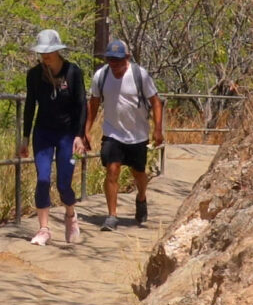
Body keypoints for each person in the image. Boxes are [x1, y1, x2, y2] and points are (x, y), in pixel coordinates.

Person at [17, 28, 84, 246]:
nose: (45, 56)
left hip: (66, 134)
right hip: (43, 133)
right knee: (43, 179)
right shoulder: (34, 75)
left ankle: (70, 214)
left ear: (58, 51)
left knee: (64, 183)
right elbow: (29, 107)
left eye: (50, 51)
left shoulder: (73, 72)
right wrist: (25, 137)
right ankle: (44, 229)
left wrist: (79, 135)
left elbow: (81, 105)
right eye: (42, 52)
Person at [85, 39, 162, 227]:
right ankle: (112, 215)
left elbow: (156, 101)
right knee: (112, 170)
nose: (115, 65)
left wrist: (158, 129)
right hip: (113, 133)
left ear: (127, 58)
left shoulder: (140, 75)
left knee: (138, 173)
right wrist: (86, 130)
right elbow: (94, 103)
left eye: (119, 61)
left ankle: (141, 197)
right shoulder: (101, 76)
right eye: (111, 60)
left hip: (137, 135)